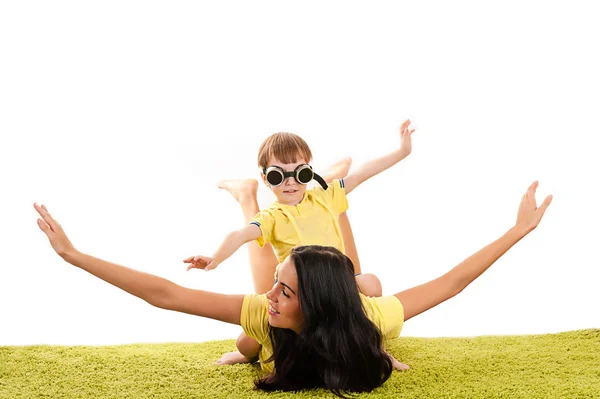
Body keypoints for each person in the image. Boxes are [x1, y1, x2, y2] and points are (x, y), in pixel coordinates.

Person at [34, 181, 551, 396]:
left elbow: (452, 283)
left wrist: (519, 230)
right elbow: (167, 294)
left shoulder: (373, 317)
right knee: (247, 337)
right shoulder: (265, 313)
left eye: (287, 293)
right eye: (279, 289)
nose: (270, 297)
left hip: (350, 316)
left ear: (324, 302)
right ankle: (247, 202)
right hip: (299, 323)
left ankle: (326, 202)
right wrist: (74, 257)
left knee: (366, 293)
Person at [184, 120, 416, 299]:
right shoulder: (271, 217)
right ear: (266, 179)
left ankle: (329, 177)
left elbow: (363, 173)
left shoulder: (324, 197)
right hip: (298, 291)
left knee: (371, 283)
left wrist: (402, 151)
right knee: (263, 309)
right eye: (278, 175)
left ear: (309, 172)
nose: (291, 182)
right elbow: (241, 234)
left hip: (335, 283)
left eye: (301, 174)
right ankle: (246, 195)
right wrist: (216, 258)